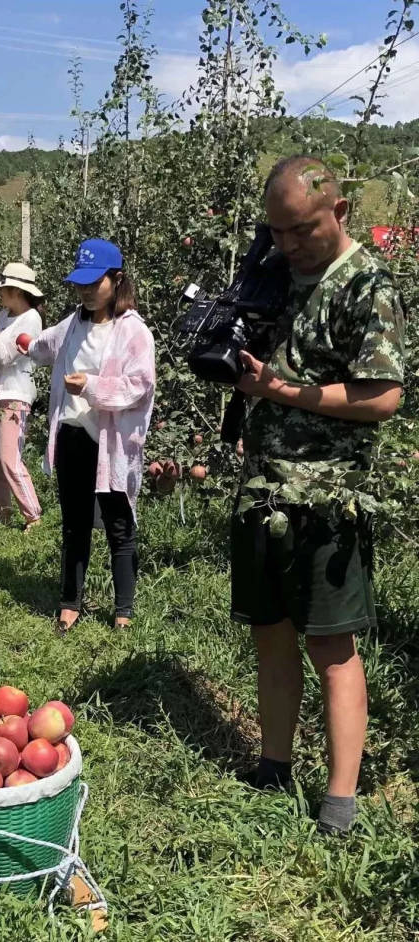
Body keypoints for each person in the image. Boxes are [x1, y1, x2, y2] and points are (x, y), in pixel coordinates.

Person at [230, 156, 405, 835]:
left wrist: (278, 390)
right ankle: (274, 766)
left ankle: (339, 801)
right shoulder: (272, 277)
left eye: (301, 229)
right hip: (264, 491)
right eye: (278, 231)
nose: (290, 243)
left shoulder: (366, 282)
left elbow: (383, 396)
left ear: (341, 212)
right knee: (270, 635)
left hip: (328, 500)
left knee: (332, 647)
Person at [22, 238, 155, 632]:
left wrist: (93, 387)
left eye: (93, 283)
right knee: (74, 523)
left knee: (119, 525)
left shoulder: (133, 331)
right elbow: (46, 345)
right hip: (73, 436)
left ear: (116, 280)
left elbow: (140, 385)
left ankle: (124, 611)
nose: (85, 290)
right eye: (79, 283)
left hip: (111, 444)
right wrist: (22, 342)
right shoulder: (73, 323)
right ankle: (69, 603)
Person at [0, 262, 43, 529]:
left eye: (4, 289)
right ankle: (1, 511)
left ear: (17, 291)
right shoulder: (6, 315)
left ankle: (33, 515)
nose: (0, 294)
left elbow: (5, 356)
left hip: (15, 392)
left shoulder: (31, 319)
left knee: (8, 456)